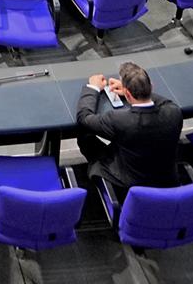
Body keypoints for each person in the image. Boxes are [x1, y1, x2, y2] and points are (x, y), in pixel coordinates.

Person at [76, 62, 184, 196]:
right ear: (151, 87)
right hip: (168, 179)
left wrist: (93, 88)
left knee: (85, 136)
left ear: (127, 94)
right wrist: (137, 90)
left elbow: (84, 118)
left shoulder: (119, 120)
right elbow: (164, 102)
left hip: (130, 184)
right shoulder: (174, 112)